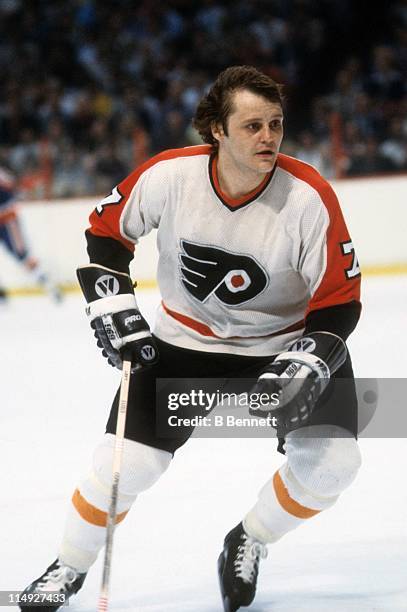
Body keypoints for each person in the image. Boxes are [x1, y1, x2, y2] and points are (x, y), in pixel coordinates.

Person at [20, 66, 362, 612]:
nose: (269, 137)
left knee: (332, 466)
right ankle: (68, 564)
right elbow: (107, 234)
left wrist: (314, 353)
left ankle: (249, 538)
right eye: (252, 126)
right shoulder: (169, 176)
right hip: (186, 342)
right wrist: (115, 304)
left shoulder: (308, 197)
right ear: (216, 131)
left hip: (283, 342)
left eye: (275, 124)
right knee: (122, 468)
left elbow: (339, 300)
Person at [0, 166, 62, 302]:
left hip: (7, 222)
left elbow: (12, 188)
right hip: (6, 219)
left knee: (23, 256)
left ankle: (49, 285)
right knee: (23, 257)